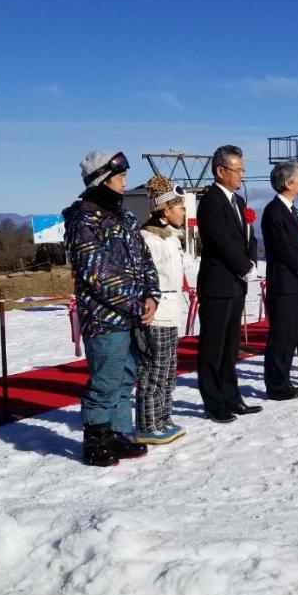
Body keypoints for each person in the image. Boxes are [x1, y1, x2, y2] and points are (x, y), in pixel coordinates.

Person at [64, 150, 158, 466]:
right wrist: (133, 303)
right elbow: (96, 274)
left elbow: (145, 261)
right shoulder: (84, 220)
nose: (125, 182)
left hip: (132, 316)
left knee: (123, 379)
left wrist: (151, 296)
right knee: (105, 380)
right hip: (105, 320)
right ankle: (96, 439)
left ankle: (119, 434)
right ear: (103, 179)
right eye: (119, 176)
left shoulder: (125, 217)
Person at [195, 144, 261, 424]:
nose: (241, 176)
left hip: (236, 283)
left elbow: (248, 237)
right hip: (218, 283)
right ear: (221, 171)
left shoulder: (239, 202)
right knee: (214, 345)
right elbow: (220, 240)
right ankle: (214, 402)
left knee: (231, 344)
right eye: (237, 170)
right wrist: (244, 266)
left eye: (243, 170)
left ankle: (232, 396)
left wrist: (251, 260)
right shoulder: (211, 201)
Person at [135, 175, 188, 446]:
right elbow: (144, 276)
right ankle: (148, 423)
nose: (183, 213)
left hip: (172, 309)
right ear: (166, 209)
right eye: (180, 208)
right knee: (154, 370)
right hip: (156, 311)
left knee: (168, 370)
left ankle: (163, 417)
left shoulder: (172, 237)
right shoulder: (147, 238)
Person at [260, 161, 298, 400]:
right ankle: (276, 384)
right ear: (287, 183)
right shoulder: (274, 211)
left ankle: (283, 380)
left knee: (291, 334)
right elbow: (284, 248)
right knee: (281, 335)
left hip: (295, 283)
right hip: (284, 283)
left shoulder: (290, 210)